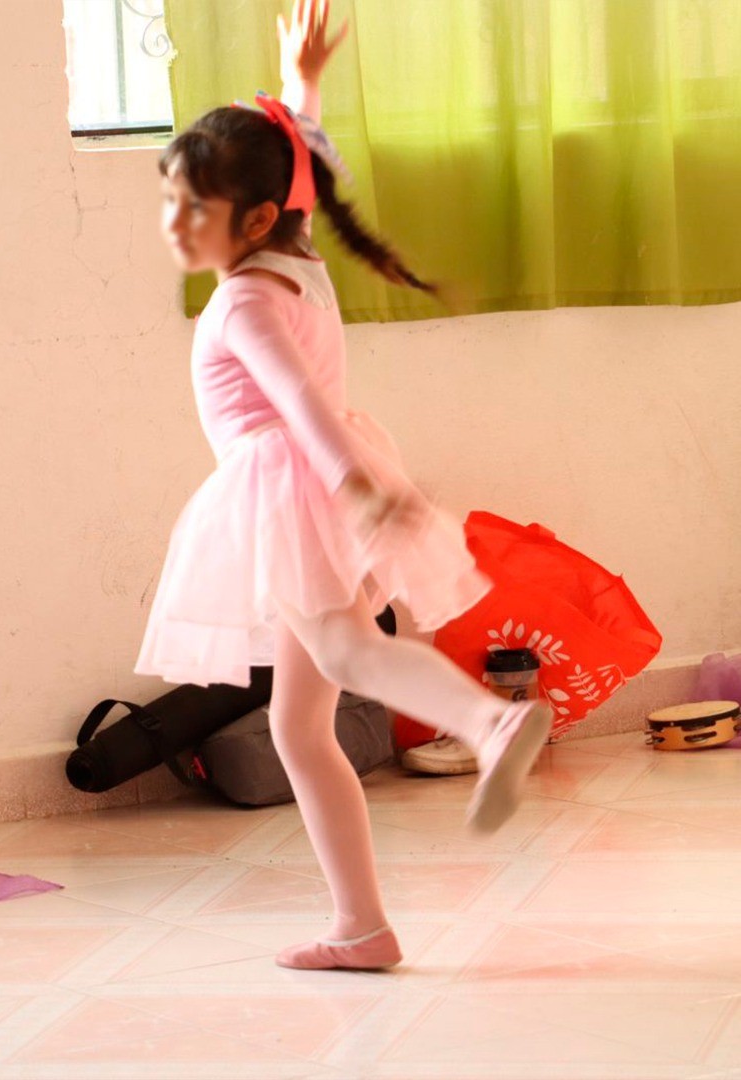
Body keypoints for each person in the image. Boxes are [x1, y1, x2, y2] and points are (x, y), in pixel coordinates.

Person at [133, 0, 552, 971]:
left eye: (192, 206)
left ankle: (494, 723)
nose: (173, 221)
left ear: (250, 217)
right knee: (298, 725)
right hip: (326, 492)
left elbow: (298, 407)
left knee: (352, 658)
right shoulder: (296, 253)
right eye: (169, 200)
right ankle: (361, 927)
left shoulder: (244, 301)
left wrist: (354, 488)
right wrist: (301, 84)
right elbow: (300, 161)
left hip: (303, 492)